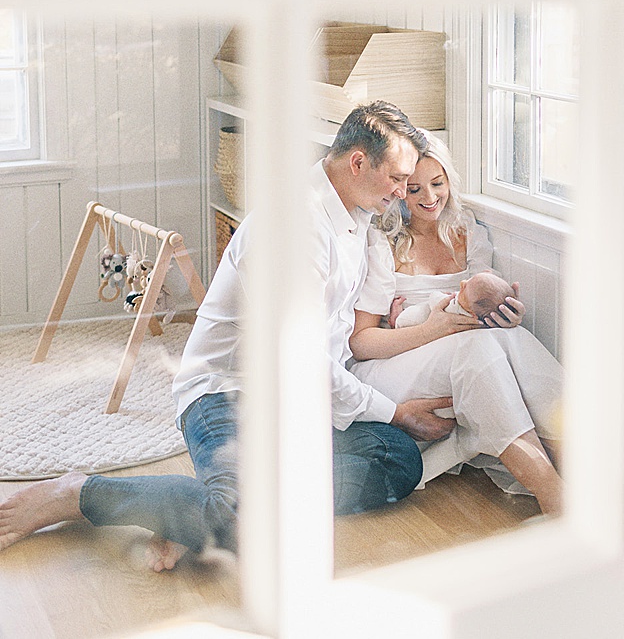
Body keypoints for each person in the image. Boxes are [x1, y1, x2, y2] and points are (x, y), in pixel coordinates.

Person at [0, 101, 452, 567]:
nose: (403, 192)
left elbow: (336, 339)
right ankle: (79, 493)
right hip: (227, 392)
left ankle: (186, 512)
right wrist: (394, 411)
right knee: (242, 520)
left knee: (397, 459)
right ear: (358, 162)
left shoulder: (355, 215)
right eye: (398, 178)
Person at [349, 133, 564, 515]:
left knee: (514, 338)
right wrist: (429, 330)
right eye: (414, 189)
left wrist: (506, 316)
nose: (429, 198)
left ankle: (584, 466)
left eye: (438, 184)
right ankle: (554, 497)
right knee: (476, 347)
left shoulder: (469, 234)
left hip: (460, 353)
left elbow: (483, 301)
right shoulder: (383, 244)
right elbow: (360, 343)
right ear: (398, 189)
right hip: (388, 368)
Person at [390, 271, 511, 328]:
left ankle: (396, 321)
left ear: (472, 313)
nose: (463, 282)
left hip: (410, 321)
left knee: (406, 319)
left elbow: (433, 297)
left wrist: (442, 295)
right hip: (415, 334)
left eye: (466, 287)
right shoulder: (481, 319)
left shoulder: (453, 305)